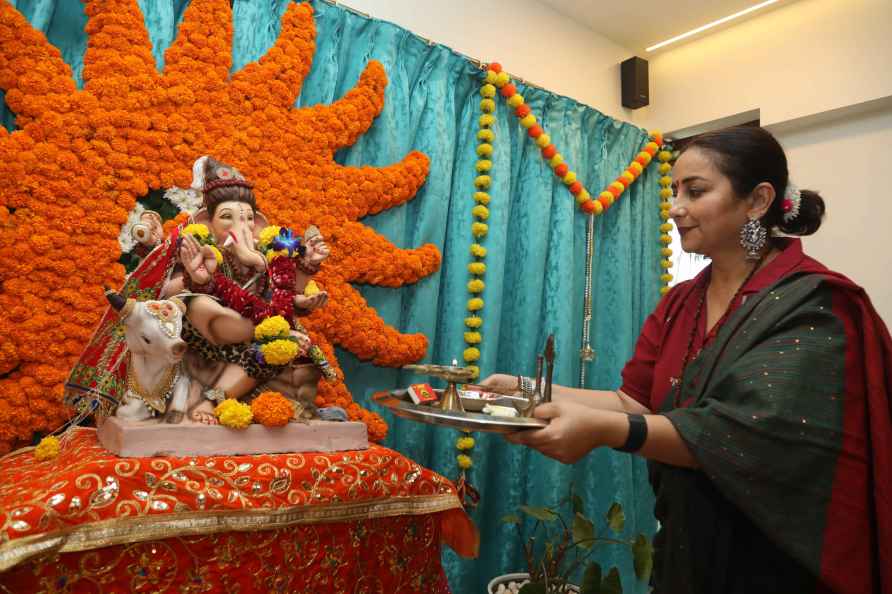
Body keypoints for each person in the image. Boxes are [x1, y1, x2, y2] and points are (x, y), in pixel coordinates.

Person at [481, 126, 892, 594]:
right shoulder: (680, 302)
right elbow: (632, 400)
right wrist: (527, 390)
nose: (675, 207)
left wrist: (601, 431)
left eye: (695, 191)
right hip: (684, 551)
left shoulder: (814, 305)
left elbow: (739, 436)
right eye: (675, 190)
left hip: (776, 560)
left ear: (757, 201)